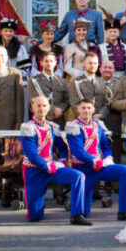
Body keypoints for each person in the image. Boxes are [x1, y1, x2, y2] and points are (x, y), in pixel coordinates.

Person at [20, 96, 90, 225]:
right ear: (32, 108)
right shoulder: (27, 127)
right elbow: (31, 154)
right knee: (35, 217)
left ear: (48, 108)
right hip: (34, 171)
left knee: (78, 176)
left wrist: (62, 161)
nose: (41, 108)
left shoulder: (53, 127)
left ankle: (77, 214)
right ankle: (37, 204)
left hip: (51, 169)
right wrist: (46, 165)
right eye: (38, 106)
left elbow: (63, 148)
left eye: (44, 106)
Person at [65, 99, 126, 220]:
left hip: (100, 167)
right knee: (84, 213)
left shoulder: (98, 125)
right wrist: (93, 160)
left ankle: (124, 210)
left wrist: (108, 157)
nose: (86, 110)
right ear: (78, 110)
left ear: (93, 110)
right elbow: (78, 151)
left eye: (88, 108)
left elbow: (106, 145)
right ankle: (77, 206)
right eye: (83, 108)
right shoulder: (73, 126)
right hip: (83, 170)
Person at [27, 51, 67, 124]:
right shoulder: (33, 81)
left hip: (59, 119)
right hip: (41, 119)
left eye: (51, 61)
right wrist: (52, 110)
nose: (49, 64)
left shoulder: (62, 81)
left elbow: (67, 100)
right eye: (46, 61)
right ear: (41, 63)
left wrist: (60, 110)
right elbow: (33, 99)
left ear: (55, 63)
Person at [67, 52, 106, 124]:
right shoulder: (77, 82)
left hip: (100, 120)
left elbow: (106, 102)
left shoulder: (102, 81)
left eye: (95, 63)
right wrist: (89, 118)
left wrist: (101, 114)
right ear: (84, 63)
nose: (93, 65)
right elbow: (75, 103)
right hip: (83, 122)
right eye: (90, 63)